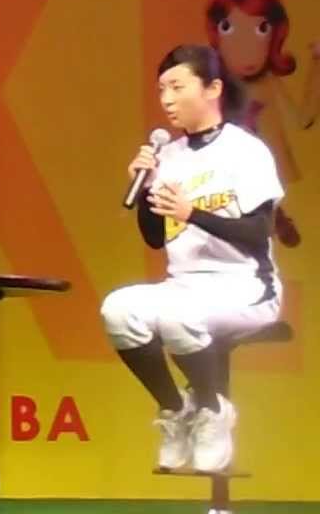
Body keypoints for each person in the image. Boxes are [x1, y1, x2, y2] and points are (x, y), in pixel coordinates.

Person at [100, 44, 284, 474]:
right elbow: (153, 237)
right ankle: (176, 409)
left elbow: (259, 232)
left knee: (179, 316)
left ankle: (213, 411)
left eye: (177, 87)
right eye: (161, 89)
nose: (166, 99)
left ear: (212, 88)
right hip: (185, 284)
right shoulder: (168, 155)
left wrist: (192, 213)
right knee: (118, 311)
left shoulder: (245, 150)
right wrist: (147, 191)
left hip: (246, 285)